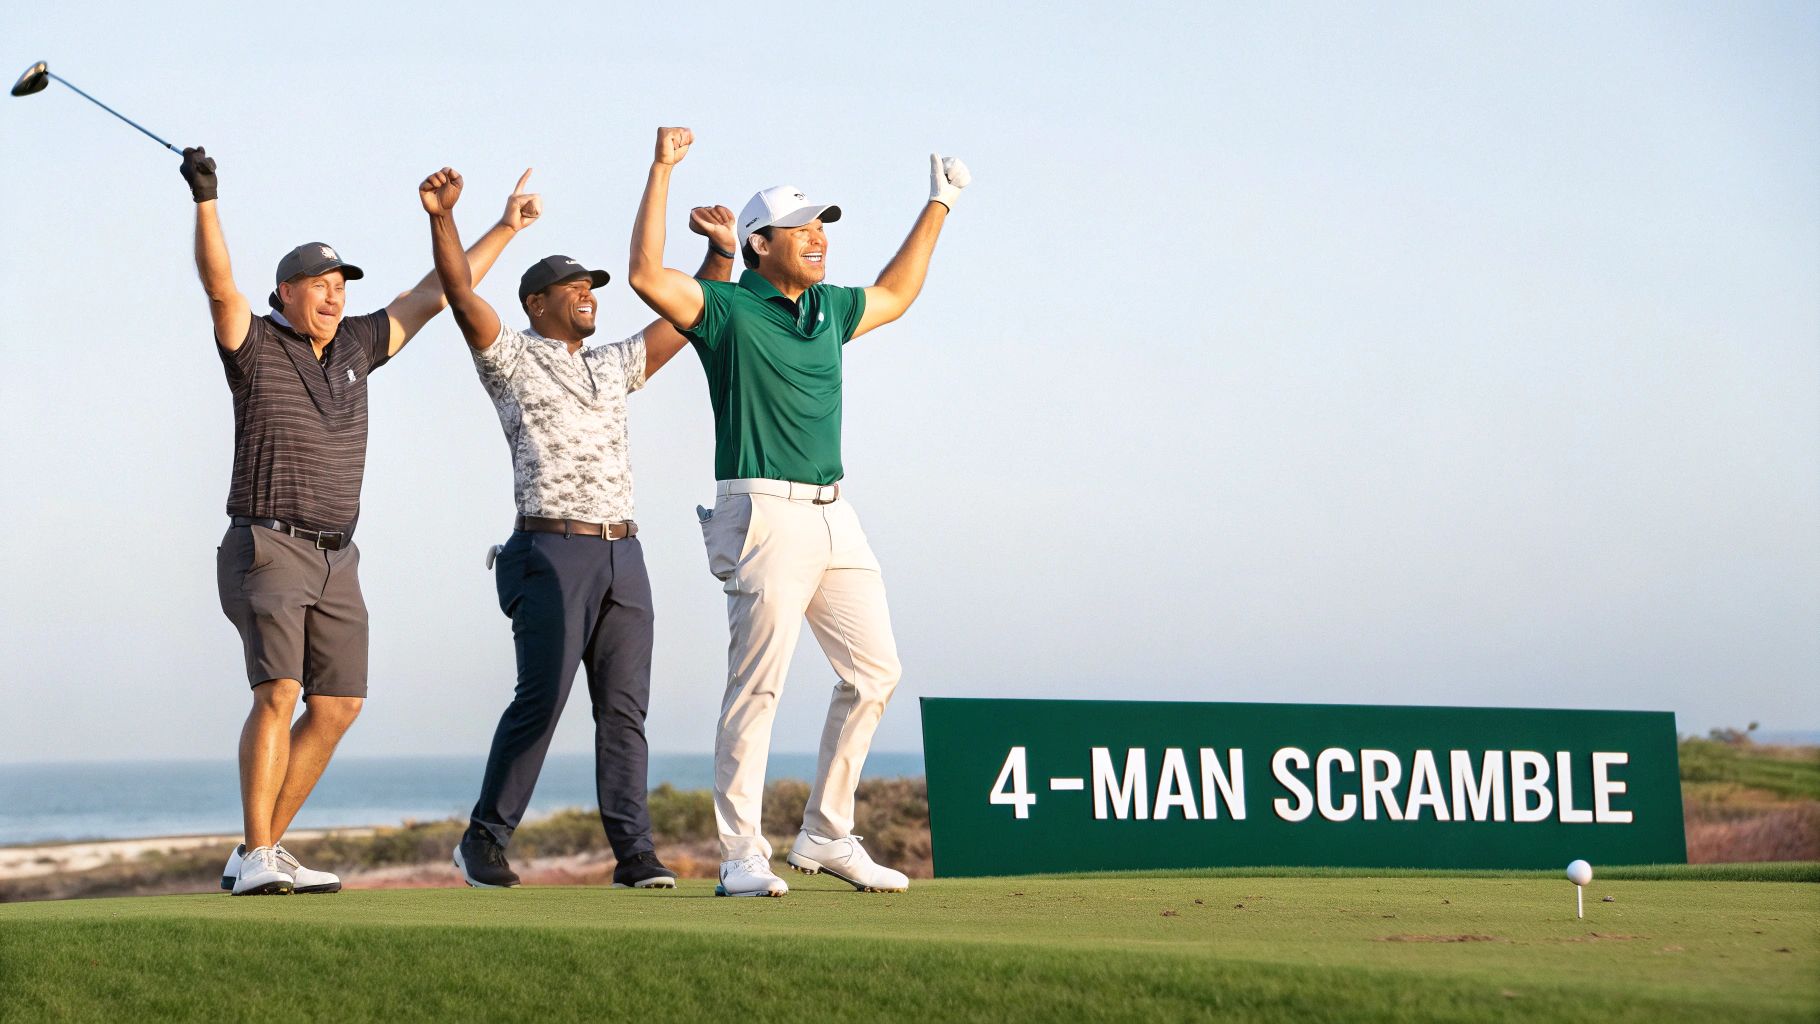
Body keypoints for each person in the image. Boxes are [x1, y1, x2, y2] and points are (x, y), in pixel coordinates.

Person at [626, 127, 971, 897]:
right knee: (758, 685)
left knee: (875, 671)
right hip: (761, 513)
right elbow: (646, 273)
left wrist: (939, 203)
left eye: (822, 225)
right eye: (802, 227)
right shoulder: (725, 309)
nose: (818, 237)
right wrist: (662, 169)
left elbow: (898, 291)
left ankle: (825, 832)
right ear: (759, 245)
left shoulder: (828, 309)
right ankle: (741, 853)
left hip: (833, 514)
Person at [180, 147, 535, 895]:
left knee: (339, 704)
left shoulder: (356, 346)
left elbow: (438, 292)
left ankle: (262, 850)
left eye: (341, 284)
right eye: (320, 284)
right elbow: (218, 288)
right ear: (286, 291)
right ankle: (257, 851)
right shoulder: (254, 345)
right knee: (278, 692)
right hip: (268, 542)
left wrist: (497, 225)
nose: (335, 296)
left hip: (340, 556)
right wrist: (206, 199)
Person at [418, 166, 739, 889]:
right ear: (537, 302)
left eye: (592, 285)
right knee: (542, 700)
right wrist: (444, 220)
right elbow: (462, 294)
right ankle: (483, 841)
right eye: (574, 286)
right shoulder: (508, 356)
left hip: (624, 552)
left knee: (624, 712)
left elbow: (686, 318)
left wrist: (720, 254)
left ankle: (635, 857)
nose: (589, 293)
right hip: (549, 549)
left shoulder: (611, 364)